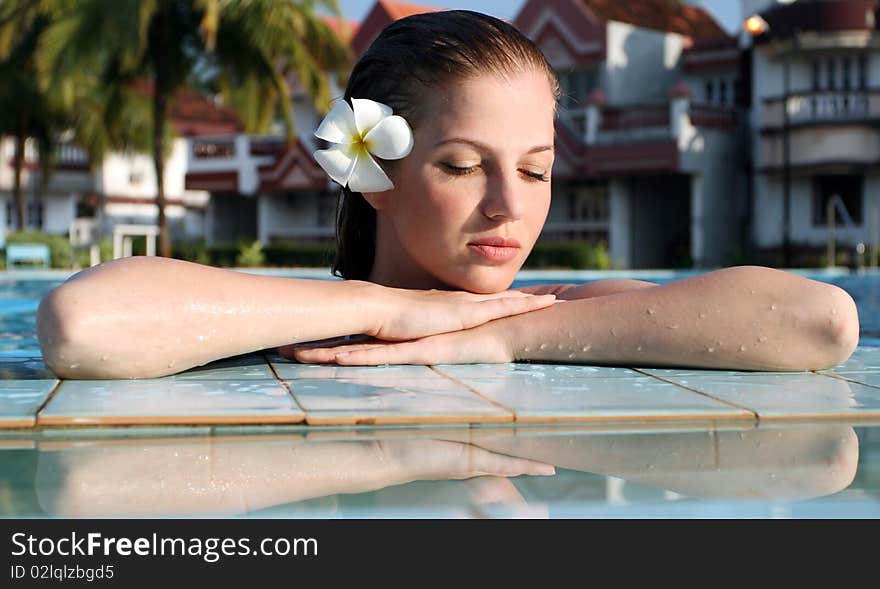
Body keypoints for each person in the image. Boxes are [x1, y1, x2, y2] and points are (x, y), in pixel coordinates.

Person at [36, 10, 859, 380]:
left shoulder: (552, 310)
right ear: (374, 174)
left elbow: (822, 321)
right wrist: (387, 310)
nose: (509, 204)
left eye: (535, 170)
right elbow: (81, 324)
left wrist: (494, 342)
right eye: (464, 165)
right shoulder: (299, 317)